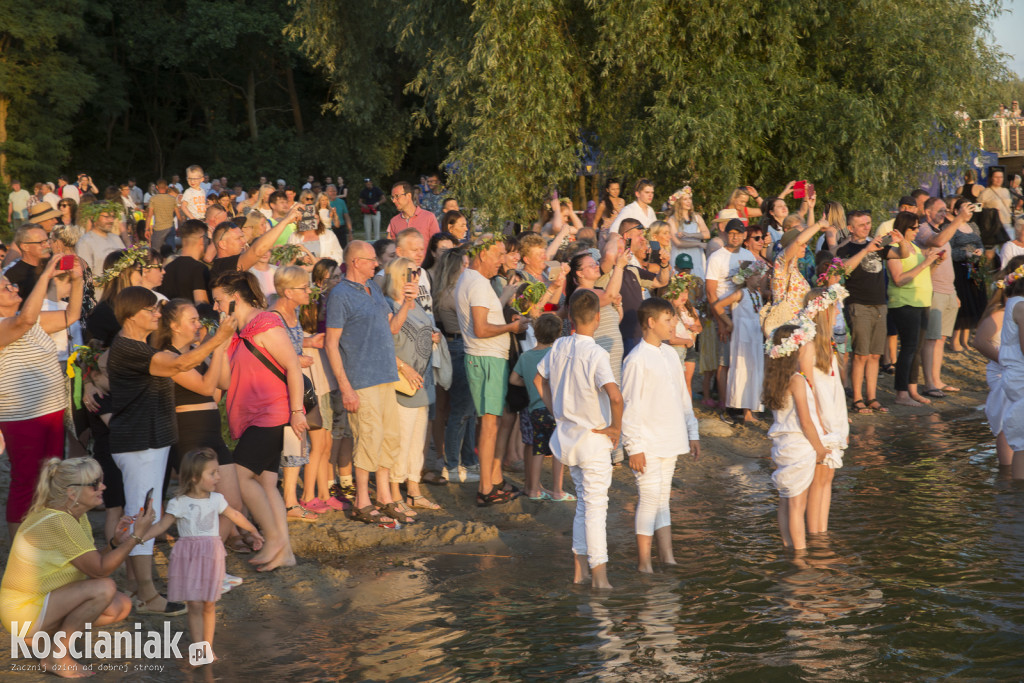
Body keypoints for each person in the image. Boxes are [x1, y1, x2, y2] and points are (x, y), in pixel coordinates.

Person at [109, 286, 234, 614]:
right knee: (143, 517)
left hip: (150, 441)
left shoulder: (137, 345)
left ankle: (138, 587)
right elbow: (181, 366)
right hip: (139, 444)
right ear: (131, 315)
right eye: (150, 310)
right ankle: (148, 597)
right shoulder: (130, 348)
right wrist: (218, 338)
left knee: (146, 514)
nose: (156, 315)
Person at [0, 457, 143, 676]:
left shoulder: (74, 516)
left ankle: (45, 638)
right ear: (72, 493)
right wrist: (137, 537)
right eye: (95, 484)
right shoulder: (59, 521)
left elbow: (91, 561)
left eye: (101, 481)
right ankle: (57, 655)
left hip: (40, 600)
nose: (103, 487)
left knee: (120, 605)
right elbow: (100, 570)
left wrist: (115, 543)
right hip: (22, 610)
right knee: (104, 587)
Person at [212, 270, 301, 570]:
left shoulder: (266, 324)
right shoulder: (235, 332)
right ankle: (285, 552)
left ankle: (273, 538)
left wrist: (298, 411)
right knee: (266, 482)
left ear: (235, 299)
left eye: (219, 301)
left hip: (271, 412)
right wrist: (221, 345)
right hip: (250, 416)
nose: (216, 307)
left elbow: (293, 367)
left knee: (240, 475)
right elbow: (224, 381)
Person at [535, 289, 623, 589]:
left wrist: (556, 409)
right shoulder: (596, 353)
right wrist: (616, 429)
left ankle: (579, 571)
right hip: (593, 438)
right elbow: (615, 396)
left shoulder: (559, 344)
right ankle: (600, 579)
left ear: (569, 317)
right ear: (597, 319)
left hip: (568, 436)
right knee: (596, 507)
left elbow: (539, 379)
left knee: (585, 505)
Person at [140, 448, 264, 662]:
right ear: (196, 477)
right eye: (213, 473)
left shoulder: (216, 499)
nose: (218, 477)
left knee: (209, 603)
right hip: (188, 558)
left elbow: (235, 515)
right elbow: (162, 525)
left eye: (218, 471)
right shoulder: (178, 503)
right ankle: (199, 650)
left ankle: (208, 648)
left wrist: (253, 531)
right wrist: (140, 537)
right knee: (195, 605)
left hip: (211, 558)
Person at [324, 241, 413, 525]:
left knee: (389, 437)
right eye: (371, 260)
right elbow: (331, 343)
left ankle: (385, 497)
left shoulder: (373, 287)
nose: (377, 264)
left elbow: (392, 328)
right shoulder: (339, 294)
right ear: (355, 262)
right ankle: (362, 501)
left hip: (386, 375)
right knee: (368, 438)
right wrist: (345, 386)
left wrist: (408, 303)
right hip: (360, 378)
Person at [152, 299, 248, 554]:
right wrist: (216, 346)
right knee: (200, 507)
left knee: (233, 503)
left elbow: (223, 382)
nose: (198, 325)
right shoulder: (169, 357)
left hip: (212, 432)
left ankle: (210, 556)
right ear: (173, 325)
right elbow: (206, 387)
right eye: (192, 320)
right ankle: (206, 559)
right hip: (189, 434)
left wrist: (221, 346)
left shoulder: (197, 351)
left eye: (198, 319)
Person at [0, 256, 84, 535]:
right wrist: (46, 274)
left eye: (11, 284)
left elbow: (71, 315)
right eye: (5, 287)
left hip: (51, 411)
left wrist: (78, 280)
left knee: (52, 477)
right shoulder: (8, 324)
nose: (13, 288)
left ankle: (47, 535)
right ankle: (19, 551)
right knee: (26, 481)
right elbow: (24, 321)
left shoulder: (31, 320)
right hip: (22, 416)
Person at [621, 297, 699, 574]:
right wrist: (634, 447)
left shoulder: (669, 354)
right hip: (648, 442)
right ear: (651, 323)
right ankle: (644, 564)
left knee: (663, 498)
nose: (673, 324)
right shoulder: (636, 359)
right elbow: (629, 406)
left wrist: (693, 432)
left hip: (671, 437)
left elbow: (683, 396)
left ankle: (667, 557)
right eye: (668, 320)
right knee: (649, 498)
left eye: (674, 318)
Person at [454, 236, 529, 505]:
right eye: (498, 254)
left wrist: (504, 298)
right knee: (488, 425)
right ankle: (486, 489)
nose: (501, 260)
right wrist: (512, 328)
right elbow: (481, 328)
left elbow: (485, 316)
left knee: (492, 423)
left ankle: (493, 481)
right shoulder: (475, 282)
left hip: (487, 359)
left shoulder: (474, 281)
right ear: (483, 253)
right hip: (486, 359)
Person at [763, 323, 834, 551]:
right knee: (797, 505)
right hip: (800, 446)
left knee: (785, 501)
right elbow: (805, 420)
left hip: (782, 447)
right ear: (796, 349)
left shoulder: (774, 378)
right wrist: (820, 449)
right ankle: (800, 556)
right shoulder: (797, 380)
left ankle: (787, 547)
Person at [382, 257, 442, 513]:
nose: (416, 280)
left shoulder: (417, 304)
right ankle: (395, 492)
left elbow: (422, 333)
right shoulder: (387, 303)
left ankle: (414, 491)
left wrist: (434, 338)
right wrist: (403, 367)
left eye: (417, 275)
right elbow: (387, 337)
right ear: (398, 277)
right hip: (402, 383)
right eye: (411, 275)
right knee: (401, 439)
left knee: (418, 441)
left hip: (423, 381)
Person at [271, 266, 331, 522]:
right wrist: (295, 359)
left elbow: (291, 342)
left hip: (296, 385)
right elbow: (267, 352)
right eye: (304, 288)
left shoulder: (293, 312)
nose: (310, 291)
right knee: (288, 443)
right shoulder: (273, 316)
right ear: (287, 292)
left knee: (297, 443)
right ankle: (288, 504)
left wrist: (307, 343)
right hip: (278, 388)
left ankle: (290, 502)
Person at [801, 286, 849, 535]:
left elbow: (836, 389)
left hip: (834, 419)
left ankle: (822, 534)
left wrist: (842, 425)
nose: (838, 311)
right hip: (820, 423)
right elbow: (809, 390)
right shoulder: (807, 346)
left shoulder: (828, 345)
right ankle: (814, 535)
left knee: (827, 480)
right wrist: (820, 427)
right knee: (818, 481)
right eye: (834, 308)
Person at [510, 313, 569, 501]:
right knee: (558, 451)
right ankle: (558, 491)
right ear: (558, 334)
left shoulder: (526, 356)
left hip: (535, 409)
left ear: (535, 332)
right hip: (555, 409)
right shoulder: (556, 355)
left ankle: (534, 490)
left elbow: (513, 379)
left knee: (537, 449)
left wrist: (528, 383)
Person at [973, 256, 1024, 468]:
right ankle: (1006, 471)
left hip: (1011, 369)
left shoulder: (1014, 306)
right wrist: (1004, 360)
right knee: (1008, 423)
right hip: (1006, 372)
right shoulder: (1007, 311)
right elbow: (979, 342)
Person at [886, 211, 940, 407]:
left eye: (918, 227)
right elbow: (899, 280)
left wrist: (932, 264)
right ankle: (901, 394)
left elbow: (921, 274)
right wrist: (925, 262)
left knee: (916, 348)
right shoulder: (894, 249)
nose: (917, 231)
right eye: (914, 228)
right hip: (904, 303)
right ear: (903, 228)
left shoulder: (915, 248)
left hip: (922, 302)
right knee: (908, 348)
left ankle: (912, 390)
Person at [713, 261, 768, 424]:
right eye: (756, 275)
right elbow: (718, 305)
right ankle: (745, 410)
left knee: (754, 369)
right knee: (744, 369)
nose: (759, 278)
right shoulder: (740, 293)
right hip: (743, 338)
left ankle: (750, 408)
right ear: (747, 277)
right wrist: (728, 323)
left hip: (755, 337)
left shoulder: (757, 294)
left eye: (760, 274)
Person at [947, 198, 987, 352]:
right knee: (963, 304)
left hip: (974, 267)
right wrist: (965, 253)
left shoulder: (973, 226)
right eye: (965, 208)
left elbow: (980, 243)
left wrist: (980, 251)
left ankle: (965, 340)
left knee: (974, 301)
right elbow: (949, 250)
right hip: (960, 268)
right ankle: (955, 340)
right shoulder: (951, 227)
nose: (968, 212)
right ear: (957, 211)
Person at [997, 260, 1024, 479]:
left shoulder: (1013, 301)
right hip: (1020, 376)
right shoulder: (1022, 305)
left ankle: (1015, 495)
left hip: (1014, 374)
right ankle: (1017, 495)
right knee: (1023, 443)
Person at [664, 273, 702, 395]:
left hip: (689, 348)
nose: (684, 296)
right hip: (678, 348)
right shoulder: (671, 309)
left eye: (686, 292)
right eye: (680, 292)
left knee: (687, 382)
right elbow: (671, 338)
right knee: (677, 382)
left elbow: (699, 326)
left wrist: (695, 328)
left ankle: (688, 412)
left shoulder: (690, 309)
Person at [158, 220, 211, 305]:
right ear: (202, 240)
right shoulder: (199, 269)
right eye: (208, 240)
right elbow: (202, 305)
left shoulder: (167, 269)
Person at [666, 187, 710, 279]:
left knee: (697, 282)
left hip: (695, 255)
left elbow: (707, 234)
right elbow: (678, 243)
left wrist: (691, 235)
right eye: (685, 199)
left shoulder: (697, 217)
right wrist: (698, 244)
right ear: (678, 202)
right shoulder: (672, 220)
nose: (688, 201)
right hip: (680, 255)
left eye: (689, 199)